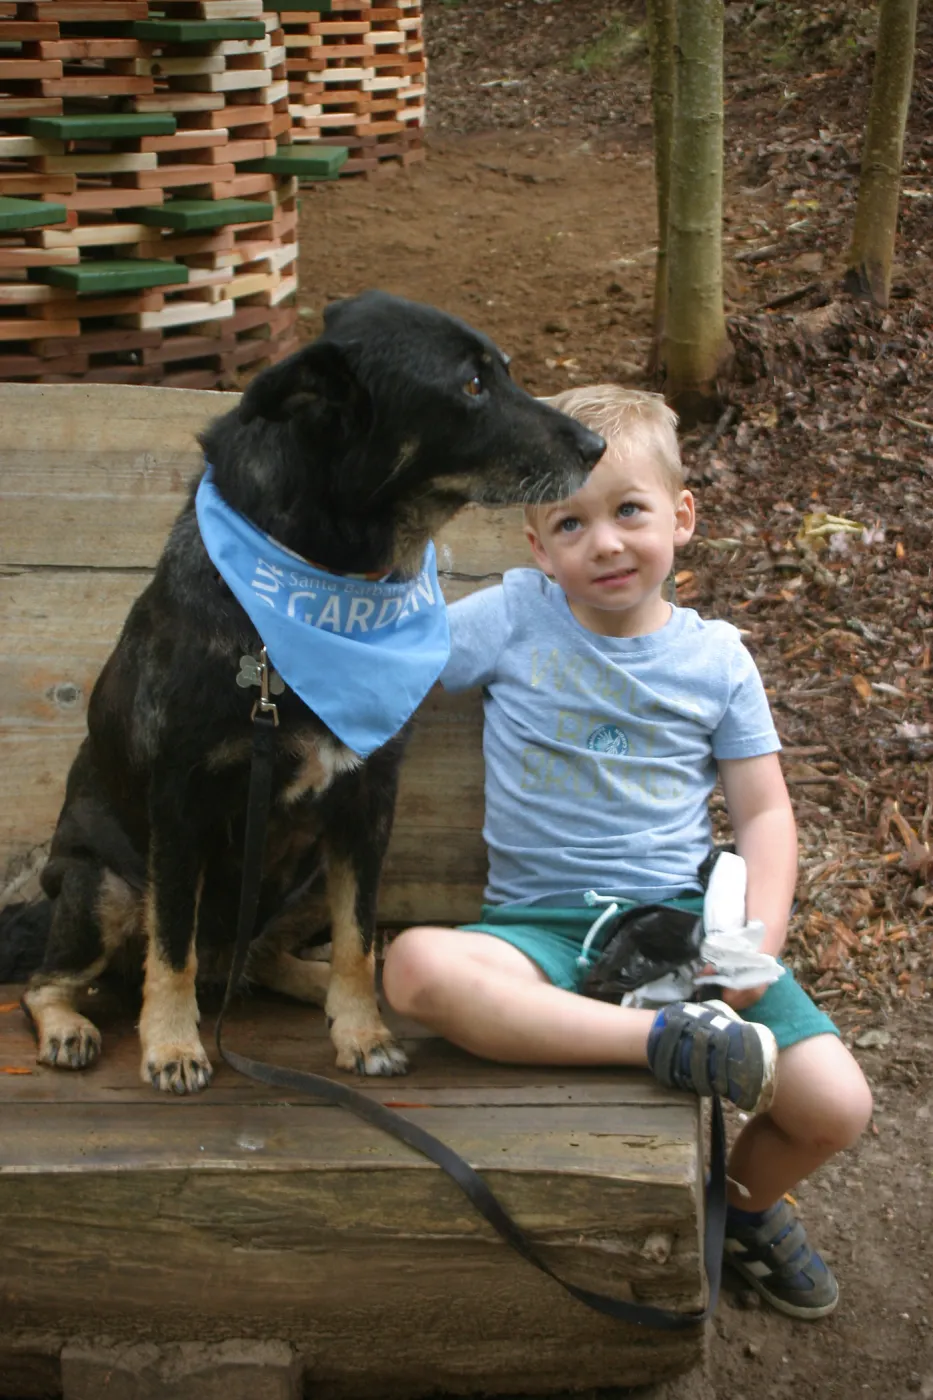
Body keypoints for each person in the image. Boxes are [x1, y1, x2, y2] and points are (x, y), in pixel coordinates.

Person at [381, 384, 872, 1320]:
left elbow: (764, 813)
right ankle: (663, 1046)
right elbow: (405, 659)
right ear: (535, 546)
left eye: (628, 511)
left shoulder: (717, 660)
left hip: (683, 930)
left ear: (680, 518)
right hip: (541, 930)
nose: (603, 542)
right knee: (415, 967)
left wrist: (754, 943)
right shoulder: (514, 615)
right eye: (570, 521)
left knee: (834, 1105)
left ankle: (743, 1209)